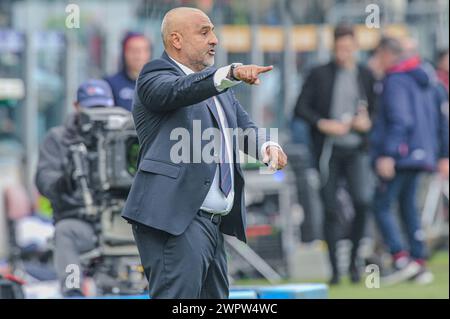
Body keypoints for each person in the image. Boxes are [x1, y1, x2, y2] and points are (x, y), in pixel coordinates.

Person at [121, 7, 287, 299]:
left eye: (213, 31)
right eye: (204, 31)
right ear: (176, 40)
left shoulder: (216, 82)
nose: (215, 39)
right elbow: (180, 90)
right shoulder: (154, 74)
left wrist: (266, 146)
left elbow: (242, 126)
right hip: (174, 221)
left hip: (212, 224)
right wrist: (230, 73)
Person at [293, 23, 377, 285]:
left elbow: (377, 111)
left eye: (348, 48)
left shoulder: (365, 75)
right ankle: (335, 270)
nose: (344, 52)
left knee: (363, 201)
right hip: (327, 151)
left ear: (355, 47)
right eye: (339, 48)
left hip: (356, 150)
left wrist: (367, 122)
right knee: (329, 209)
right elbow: (300, 108)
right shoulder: (319, 74)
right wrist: (322, 123)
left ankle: (353, 262)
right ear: (333, 47)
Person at [371, 37, 449, 285]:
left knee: (382, 205)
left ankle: (401, 258)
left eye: (378, 55)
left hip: (401, 156)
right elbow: (440, 120)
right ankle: (419, 262)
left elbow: (400, 119)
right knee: (408, 208)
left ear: (387, 54)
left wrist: (388, 154)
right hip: (422, 154)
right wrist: (440, 153)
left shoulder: (395, 80)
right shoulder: (426, 80)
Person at [35, 79, 115, 296]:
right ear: (77, 107)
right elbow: (44, 181)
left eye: (102, 109)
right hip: (80, 221)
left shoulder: (126, 136)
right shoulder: (58, 139)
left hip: (121, 219)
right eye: (91, 109)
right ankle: (72, 289)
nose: (97, 116)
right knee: (65, 231)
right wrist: (67, 178)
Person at [104, 32, 152, 111]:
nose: (138, 56)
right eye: (133, 50)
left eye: (143, 50)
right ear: (124, 53)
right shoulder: (109, 84)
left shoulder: (159, 84)